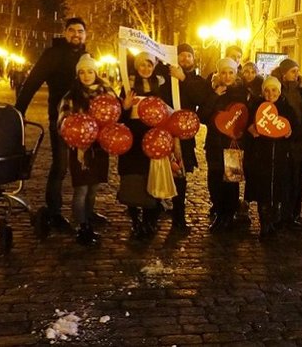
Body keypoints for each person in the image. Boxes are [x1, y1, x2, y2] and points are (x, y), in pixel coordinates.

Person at [15, 17, 91, 230]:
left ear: (85, 34)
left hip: (86, 121)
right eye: (72, 30)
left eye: (80, 31)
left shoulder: (87, 56)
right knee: (60, 166)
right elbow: (32, 83)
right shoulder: (53, 54)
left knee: (87, 166)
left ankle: (87, 210)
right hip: (61, 119)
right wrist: (19, 110)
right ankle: (54, 211)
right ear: (65, 33)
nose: (76, 34)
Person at [57, 54, 116, 245]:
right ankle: (82, 227)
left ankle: (89, 215)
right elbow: (63, 123)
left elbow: (115, 116)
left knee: (93, 188)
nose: (86, 75)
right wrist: (78, 138)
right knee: (81, 190)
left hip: (100, 148)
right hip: (80, 149)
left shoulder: (107, 92)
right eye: (82, 72)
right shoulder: (71, 96)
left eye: (90, 71)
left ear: (96, 72)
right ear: (77, 75)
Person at [117, 52, 171, 239]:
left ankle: (151, 219)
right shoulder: (128, 85)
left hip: (154, 139)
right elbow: (118, 117)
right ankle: (135, 218)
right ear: (137, 66)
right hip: (133, 140)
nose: (146, 69)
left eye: (149, 65)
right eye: (142, 65)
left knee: (153, 177)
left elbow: (169, 110)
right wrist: (125, 106)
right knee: (133, 178)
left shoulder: (161, 85)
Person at [198, 57, 252, 232]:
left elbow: (247, 116)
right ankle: (219, 212)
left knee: (231, 182)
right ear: (218, 74)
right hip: (214, 143)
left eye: (231, 72)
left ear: (235, 74)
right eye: (224, 72)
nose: (227, 76)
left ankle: (229, 215)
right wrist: (214, 96)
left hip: (233, 144)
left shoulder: (243, 92)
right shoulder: (211, 92)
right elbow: (203, 117)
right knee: (214, 180)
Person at [246, 75, 296, 239]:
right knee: (263, 190)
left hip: (281, 156)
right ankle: (264, 222)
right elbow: (247, 125)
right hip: (261, 156)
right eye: (266, 90)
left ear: (279, 91)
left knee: (279, 189)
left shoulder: (286, 108)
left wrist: (290, 132)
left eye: (274, 90)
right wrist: (250, 129)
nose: (270, 93)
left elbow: (295, 127)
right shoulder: (256, 106)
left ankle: (275, 219)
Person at [170, 43, 214, 228]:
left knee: (180, 173)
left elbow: (200, 98)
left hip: (184, 134)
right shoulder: (167, 77)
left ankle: (178, 215)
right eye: (181, 55)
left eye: (188, 55)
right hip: (165, 130)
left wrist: (183, 79)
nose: (185, 58)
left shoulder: (197, 80)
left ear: (193, 58)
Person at [272, 58, 302, 228]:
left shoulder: (301, 91)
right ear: (284, 73)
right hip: (283, 142)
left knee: (296, 180)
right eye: (293, 71)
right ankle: (279, 214)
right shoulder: (279, 91)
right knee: (283, 180)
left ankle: (292, 214)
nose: (296, 74)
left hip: (298, 143)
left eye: (297, 71)